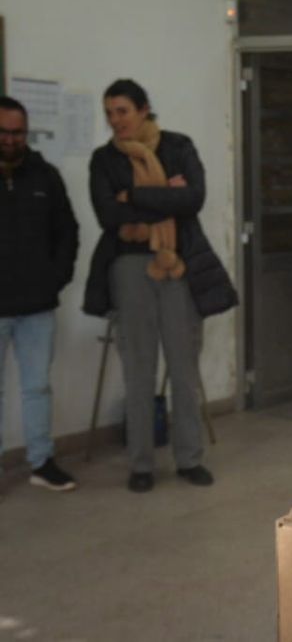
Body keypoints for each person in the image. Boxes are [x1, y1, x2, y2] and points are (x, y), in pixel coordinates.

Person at [84, 79, 237, 493]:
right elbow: (107, 216)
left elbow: (193, 200)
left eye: (122, 111)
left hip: (178, 266)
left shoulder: (178, 146)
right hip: (129, 268)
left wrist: (131, 195)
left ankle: (189, 458)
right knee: (138, 369)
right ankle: (142, 464)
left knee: (184, 368)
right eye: (109, 113)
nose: (115, 121)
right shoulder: (104, 159)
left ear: (144, 109)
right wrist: (161, 195)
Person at [0, 96, 80, 493]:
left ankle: (41, 461)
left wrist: (56, 278)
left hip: (37, 305)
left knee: (37, 387)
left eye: (18, 132)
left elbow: (67, 231)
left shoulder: (45, 176)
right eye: (4, 132)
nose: (11, 140)